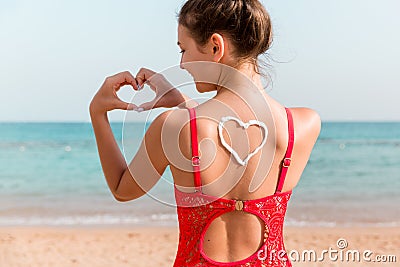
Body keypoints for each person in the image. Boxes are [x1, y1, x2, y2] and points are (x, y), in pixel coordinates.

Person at [89, 0, 321, 266]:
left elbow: (122, 189)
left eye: (183, 49)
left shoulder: (173, 127)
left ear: (215, 46)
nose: (182, 64)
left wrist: (97, 112)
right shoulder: (303, 124)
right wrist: (183, 102)